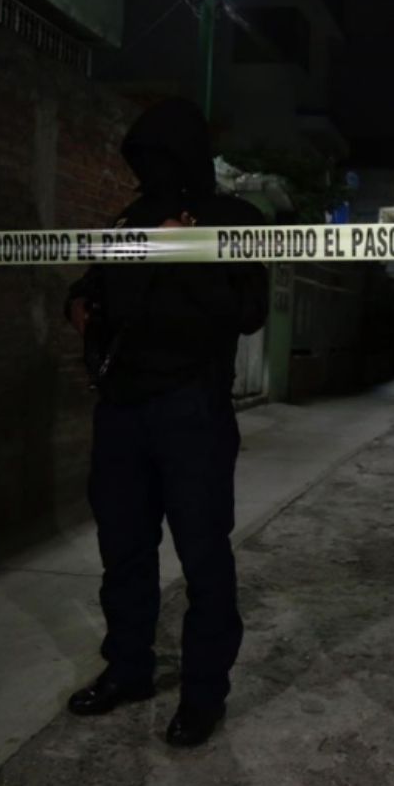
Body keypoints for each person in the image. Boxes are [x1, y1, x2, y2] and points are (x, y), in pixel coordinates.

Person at [63, 97, 268, 748]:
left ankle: (204, 695)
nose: (148, 169)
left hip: (191, 409)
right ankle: (128, 669)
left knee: (203, 556)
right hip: (121, 409)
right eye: (141, 157)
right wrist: (78, 303)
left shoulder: (235, 218)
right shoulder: (129, 218)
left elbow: (249, 312)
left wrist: (187, 252)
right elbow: (93, 284)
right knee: (123, 551)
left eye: (159, 155)